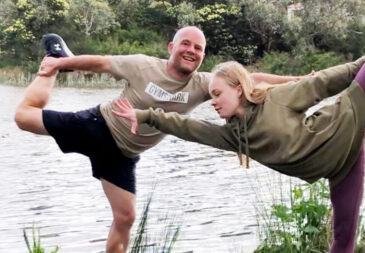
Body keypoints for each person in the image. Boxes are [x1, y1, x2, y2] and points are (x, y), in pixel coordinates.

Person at [113, 0, 365, 251]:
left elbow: (319, 83)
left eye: (217, 94)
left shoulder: (274, 99)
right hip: (342, 166)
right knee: (343, 244)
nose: (212, 102)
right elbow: (186, 127)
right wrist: (146, 115)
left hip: (348, 120)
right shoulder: (232, 136)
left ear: (238, 88)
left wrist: (363, 65)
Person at [14, 26, 309, 253]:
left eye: (199, 48)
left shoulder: (202, 84)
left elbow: (251, 77)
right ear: (172, 47)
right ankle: (54, 59)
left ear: (203, 56)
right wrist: (63, 65)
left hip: (123, 155)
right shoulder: (143, 65)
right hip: (98, 126)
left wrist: (299, 82)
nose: (192, 50)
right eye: (186, 44)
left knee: (126, 218)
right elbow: (101, 63)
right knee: (24, 118)